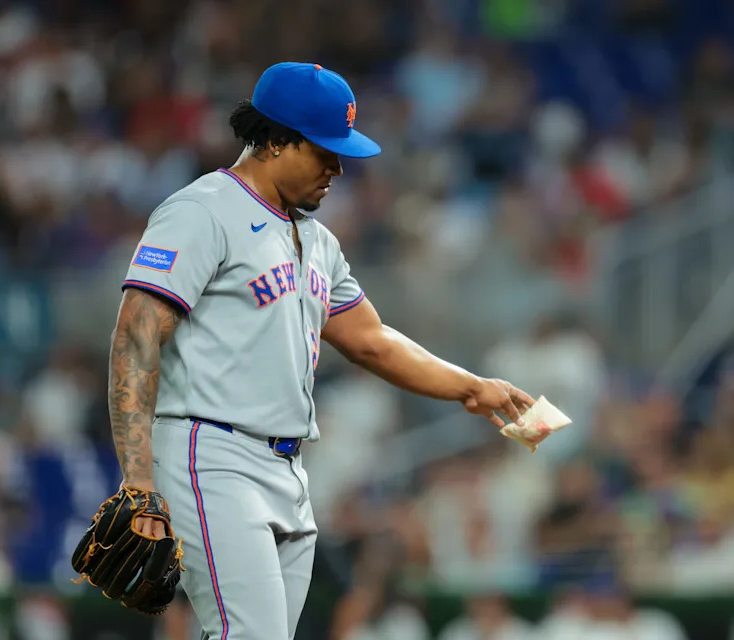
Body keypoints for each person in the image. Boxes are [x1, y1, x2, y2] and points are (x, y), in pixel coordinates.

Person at [110, 62, 534, 640]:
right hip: (208, 454)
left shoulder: (317, 240)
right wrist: (137, 480)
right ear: (276, 139)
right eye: (324, 150)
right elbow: (135, 338)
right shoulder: (202, 211)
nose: (338, 167)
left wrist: (469, 385)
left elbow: (372, 340)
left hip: (287, 467)